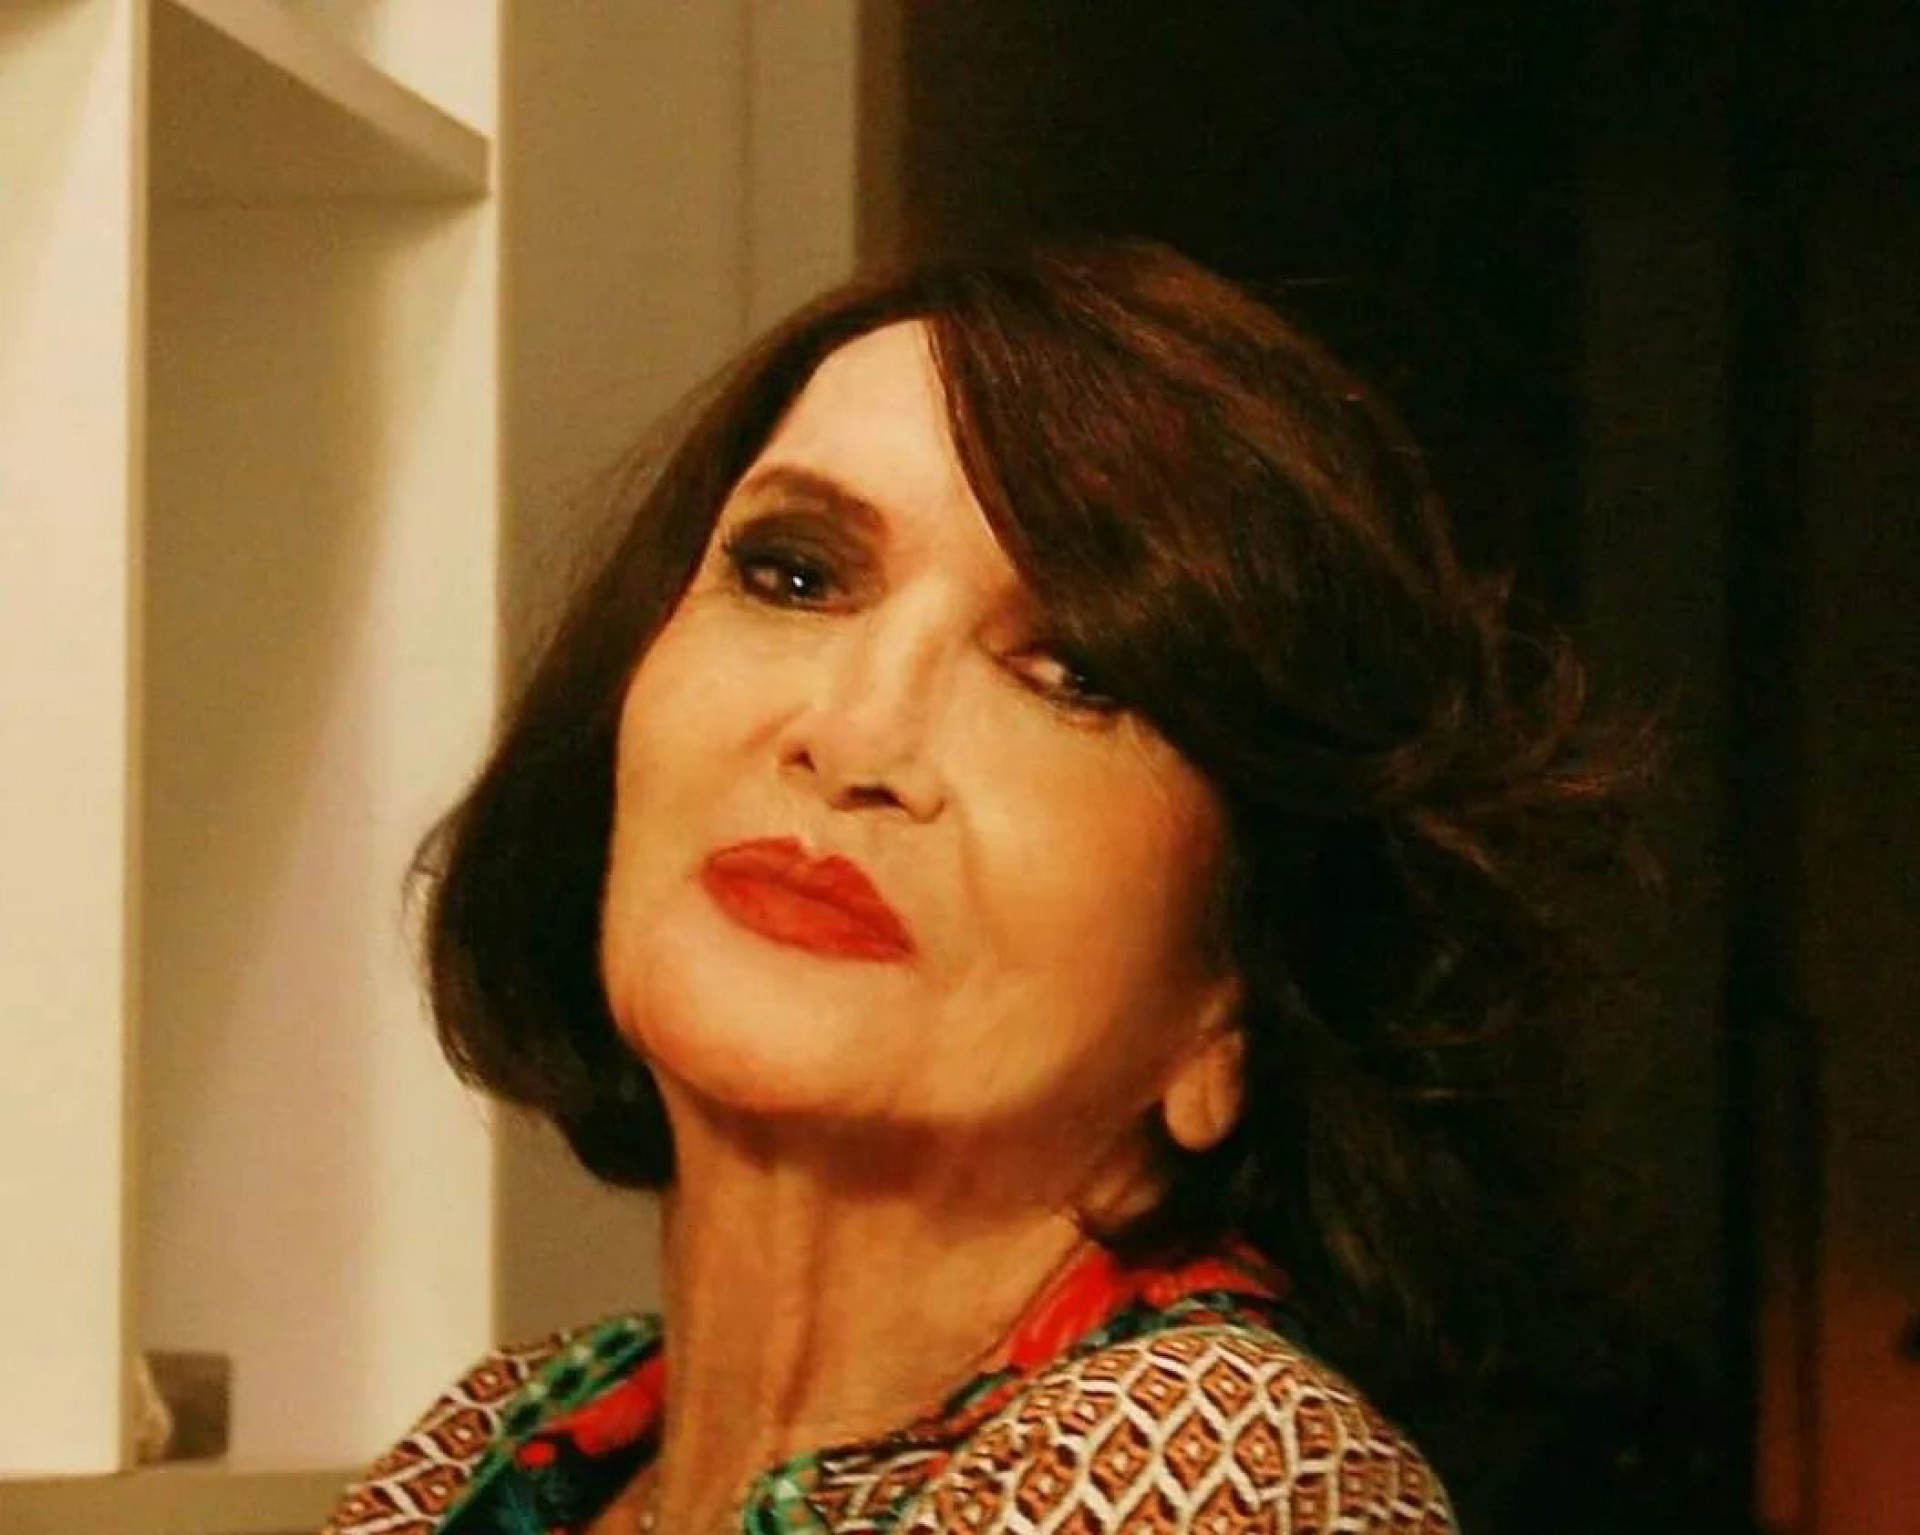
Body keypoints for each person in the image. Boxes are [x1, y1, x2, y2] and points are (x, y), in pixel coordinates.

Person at [323, 241, 1659, 1535]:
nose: (856, 736)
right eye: (795, 575)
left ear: (1236, 988)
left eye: (1075, 673)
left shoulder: (1220, 1469)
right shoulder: (496, 1446)